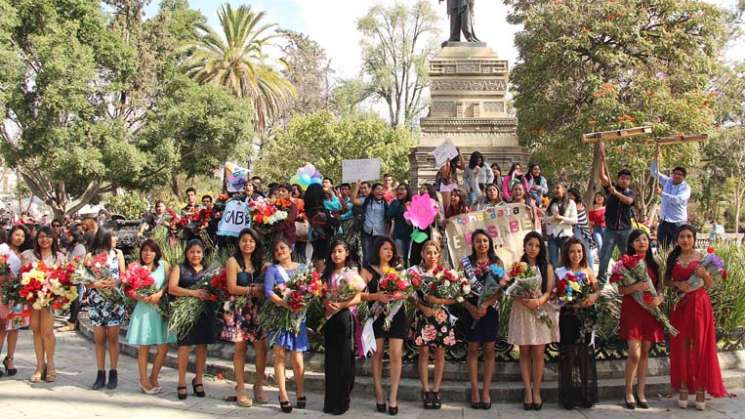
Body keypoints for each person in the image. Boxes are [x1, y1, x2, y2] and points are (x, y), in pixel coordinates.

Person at [665, 225, 728, 410]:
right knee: (681, 346)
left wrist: (705, 274)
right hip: (681, 306)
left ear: (694, 238)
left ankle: (700, 389)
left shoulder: (703, 259)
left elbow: (710, 285)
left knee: (700, 346)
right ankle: (683, 387)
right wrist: (678, 284)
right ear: (677, 239)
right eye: (682, 236)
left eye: (689, 236)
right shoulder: (673, 258)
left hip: (700, 305)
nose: (685, 240)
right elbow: (666, 281)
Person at [508, 232, 559, 411]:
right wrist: (523, 299)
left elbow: (549, 291)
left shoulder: (547, 267)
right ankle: (527, 391)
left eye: (537, 246)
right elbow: (511, 289)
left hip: (540, 311)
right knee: (524, 352)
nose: (533, 249)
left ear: (541, 248)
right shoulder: (517, 267)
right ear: (525, 246)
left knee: (538, 353)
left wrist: (537, 301)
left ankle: (536, 391)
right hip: (522, 311)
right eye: (530, 245)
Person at [459, 230, 508, 410]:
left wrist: (486, 305)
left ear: (490, 243)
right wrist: (471, 308)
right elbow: (458, 289)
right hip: (471, 310)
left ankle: (486, 390)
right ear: (472, 244)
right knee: (472, 349)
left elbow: (501, 290)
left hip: (490, 310)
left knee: (489, 349)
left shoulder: (497, 263)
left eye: (485, 241)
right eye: (478, 241)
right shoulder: (465, 263)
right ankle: (474, 390)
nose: (482, 244)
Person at [219, 228, 268, 406]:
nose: (248, 244)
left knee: (261, 348)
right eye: (244, 240)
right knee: (240, 349)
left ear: (256, 243)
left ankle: (258, 386)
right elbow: (231, 288)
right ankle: (240, 388)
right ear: (239, 243)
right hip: (238, 309)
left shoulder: (260, 262)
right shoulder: (233, 261)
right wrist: (252, 290)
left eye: (251, 241)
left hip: (257, 310)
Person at [361, 237, 408, 415]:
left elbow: (407, 292)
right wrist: (376, 296)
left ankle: (393, 397)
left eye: (391, 249)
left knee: (396, 354)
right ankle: (379, 393)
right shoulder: (367, 270)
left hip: (396, 315)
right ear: (377, 250)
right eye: (385, 248)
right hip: (377, 316)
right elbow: (357, 294)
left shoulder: (398, 269)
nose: (389, 252)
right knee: (378, 354)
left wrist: (400, 295)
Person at [617, 229, 664, 409]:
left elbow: (660, 289)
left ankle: (641, 392)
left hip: (650, 312)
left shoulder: (655, 264)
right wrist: (636, 286)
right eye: (637, 240)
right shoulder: (626, 264)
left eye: (644, 239)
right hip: (633, 311)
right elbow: (621, 290)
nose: (642, 242)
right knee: (634, 354)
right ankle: (628, 391)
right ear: (631, 244)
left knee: (645, 352)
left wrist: (659, 299)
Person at [410, 241, 458, 410]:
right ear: (422, 254)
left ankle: (436, 389)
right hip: (423, 316)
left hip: (441, 316)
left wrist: (438, 301)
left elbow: (456, 298)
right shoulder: (415, 272)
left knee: (439, 353)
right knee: (423, 353)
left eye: (434, 252)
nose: (431, 256)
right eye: (428, 252)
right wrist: (423, 307)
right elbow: (409, 295)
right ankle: (425, 389)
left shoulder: (447, 273)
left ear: (439, 254)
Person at [168, 240, 217, 400]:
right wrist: (194, 293)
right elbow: (172, 288)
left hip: (204, 312)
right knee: (185, 347)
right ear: (187, 253)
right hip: (185, 313)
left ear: (203, 254)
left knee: (202, 347)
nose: (195, 255)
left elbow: (215, 289)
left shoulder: (209, 270)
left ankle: (198, 379)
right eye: (192, 252)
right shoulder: (179, 268)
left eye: (198, 252)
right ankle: (181, 381)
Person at [264, 238, 308, 414]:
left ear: (290, 249)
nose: (280, 251)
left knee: (298, 358)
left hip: (298, 318)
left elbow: (310, 289)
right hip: (279, 317)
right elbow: (268, 291)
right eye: (276, 250)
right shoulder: (272, 270)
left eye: (282, 248)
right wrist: (284, 303)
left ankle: (300, 392)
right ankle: (283, 395)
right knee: (280, 356)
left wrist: (302, 302)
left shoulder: (303, 268)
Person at [125, 239, 174, 394]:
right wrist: (141, 297)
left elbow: (168, 283)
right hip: (144, 310)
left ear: (156, 252)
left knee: (163, 347)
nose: (148, 253)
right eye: (145, 250)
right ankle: (143, 380)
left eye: (151, 250)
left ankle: (154, 377)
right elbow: (127, 289)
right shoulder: (134, 266)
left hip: (160, 309)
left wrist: (159, 293)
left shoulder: (164, 265)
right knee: (144, 346)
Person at [556, 238, 599, 409]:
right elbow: (556, 296)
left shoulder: (587, 270)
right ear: (567, 253)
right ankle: (568, 396)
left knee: (583, 356)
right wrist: (568, 300)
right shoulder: (560, 271)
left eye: (579, 251)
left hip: (585, 317)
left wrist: (592, 297)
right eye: (573, 251)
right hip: (568, 317)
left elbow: (597, 290)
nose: (576, 254)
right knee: (568, 355)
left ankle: (585, 394)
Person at [21, 226, 66, 383]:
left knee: (47, 331)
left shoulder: (59, 257)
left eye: (48, 236)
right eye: (41, 236)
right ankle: (40, 366)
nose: (44, 239)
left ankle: (51, 364)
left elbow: (65, 279)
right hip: (33, 298)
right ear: (36, 238)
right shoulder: (28, 255)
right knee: (35, 330)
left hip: (50, 299)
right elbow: (23, 275)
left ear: (53, 238)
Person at [322, 240, 361, 415]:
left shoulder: (351, 273)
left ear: (346, 253)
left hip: (345, 317)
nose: (336, 254)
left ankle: (343, 401)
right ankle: (330, 402)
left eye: (340, 251)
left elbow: (359, 297)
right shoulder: (326, 274)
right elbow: (321, 294)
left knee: (345, 360)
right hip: (330, 319)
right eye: (333, 251)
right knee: (331, 361)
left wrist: (343, 304)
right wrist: (326, 303)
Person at [86, 228, 126, 390]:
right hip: (97, 301)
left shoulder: (118, 254)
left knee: (113, 338)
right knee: (100, 339)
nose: (115, 238)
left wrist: (115, 283)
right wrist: (96, 284)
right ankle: (100, 373)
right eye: (112, 235)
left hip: (114, 301)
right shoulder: (90, 255)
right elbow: (84, 279)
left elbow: (123, 275)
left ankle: (114, 372)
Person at [597, 145, 637, 287]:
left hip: (625, 230)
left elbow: (628, 201)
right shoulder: (610, 187)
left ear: (629, 181)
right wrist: (602, 159)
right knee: (605, 256)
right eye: (622, 178)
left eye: (627, 178)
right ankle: (600, 282)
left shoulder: (630, 192)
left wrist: (616, 193)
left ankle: (628, 280)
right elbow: (602, 176)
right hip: (610, 229)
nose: (624, 180)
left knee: (627, 256)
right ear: (618, 179)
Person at [651, 156, 691, 249]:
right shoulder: (667, 181)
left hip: (678, 222)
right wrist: (655, 160)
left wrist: (662, 194)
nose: (677, 176)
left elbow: (678, 200)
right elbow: (655, 173)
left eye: (680, 174)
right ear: (672, 174)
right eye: (675, 173)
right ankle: (662, 263)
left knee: (679, 247)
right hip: (664, 221)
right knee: (661, 247)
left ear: (684, 177)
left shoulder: (685, 188)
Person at [0, 229, 22, 378]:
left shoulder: (26, 254)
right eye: (17, 234)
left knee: (15, 328)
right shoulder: (3, 250)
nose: (19, 238)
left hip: (19, 296)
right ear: (10, 235)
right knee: (2, 328)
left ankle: (10, 360)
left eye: (22, 236)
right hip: (3, 294)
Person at [352, 181, 389, 265]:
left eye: (381, 189)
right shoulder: (366, 200)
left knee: (377, 256)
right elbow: (354, 200)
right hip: (367, 232)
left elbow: (388, 219)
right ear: (372, 191)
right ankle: (366, 275)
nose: (380, 191)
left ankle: (376, 275)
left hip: (380, 233)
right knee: (367, 256)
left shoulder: (386, 203)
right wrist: (357, 186)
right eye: (377, 189)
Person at [542, 182, 577, 267]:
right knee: (553, 263)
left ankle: (565, 280)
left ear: (564, 190)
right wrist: (553, 218)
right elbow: (545, 219)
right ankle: (554, 279)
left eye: (557, 188)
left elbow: (575, 220)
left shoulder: (571, 203)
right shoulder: (551, 202)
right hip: (552, 236)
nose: (555, 190)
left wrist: (562, 218)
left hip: (565, 236)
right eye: (554, 188)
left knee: (565, 262)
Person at [305, 183, 338, 264]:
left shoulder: (307, 206)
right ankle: (322, 275)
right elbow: (337, 206)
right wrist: (332, 193)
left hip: (313, 234)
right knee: (323, 257)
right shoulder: (325, 204)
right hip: (324, 233)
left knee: (316, 255)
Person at [566, 188, 596, 268]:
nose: (569, 197)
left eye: (571, 195)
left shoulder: (576, 204)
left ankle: (591, 272)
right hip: (578, 229)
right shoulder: (571, 203)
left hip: (581, 229)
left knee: (586, 251)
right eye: (568, 195)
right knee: (583, 251)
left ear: (575, 196)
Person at [388, 184, 413, 267]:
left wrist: (408, 208)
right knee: (400, 258)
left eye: (402, 189)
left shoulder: (413, 202)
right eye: (398, 189)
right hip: (399, 235)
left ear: (407, 191)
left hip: (412, 235)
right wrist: (397, 202)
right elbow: (389, 214)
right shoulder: (395, 202)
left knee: (410, 257)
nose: (399, 191)